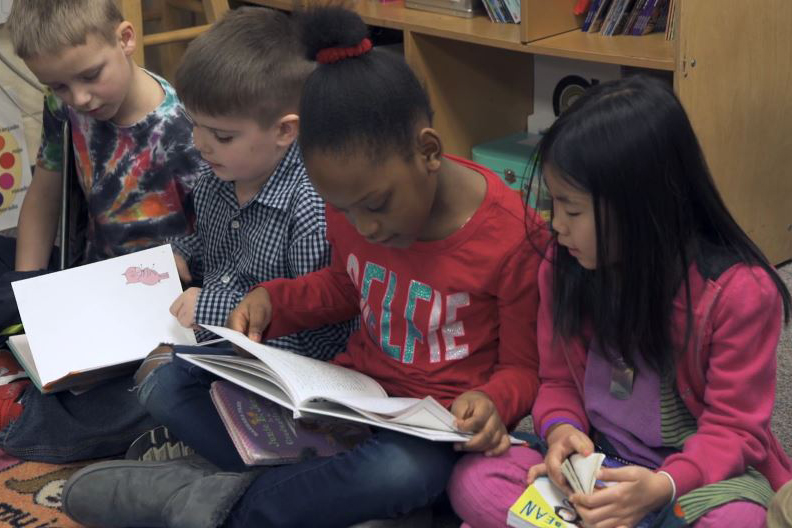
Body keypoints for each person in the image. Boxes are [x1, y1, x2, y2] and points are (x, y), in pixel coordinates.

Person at [59, 6, 547, 528]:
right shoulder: (348, 200)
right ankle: (326, 499)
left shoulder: (514, 237)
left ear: (427, 150)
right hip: (351, 399)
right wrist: (277, 301)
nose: (366, 229)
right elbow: (345, 284)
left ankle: (216, 505)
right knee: (174, 384)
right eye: (346, 211)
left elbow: (525, 368)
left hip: (431, 429)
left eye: (376, 206)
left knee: (408, 475)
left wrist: (492, 401)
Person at [446, 75, 792, 528]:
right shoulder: (564, 263)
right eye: (556, 206)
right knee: (473, 479)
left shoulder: (739, 293)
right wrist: (562, 431)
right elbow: (557, 382)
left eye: (572, 210)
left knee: (741, 521)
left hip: (694, 480)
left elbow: (734, 432)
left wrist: (661, 487)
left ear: (641, 208)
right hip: (602, 462)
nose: (558, 227)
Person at [126, 6, 355, 461]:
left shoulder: (309, 204)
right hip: (224, 347)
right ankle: (217, 452)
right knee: (143, 376)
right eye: (195, 125)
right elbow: (218, 252)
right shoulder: (220, 175)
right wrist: (180, 256)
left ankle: (258, 471)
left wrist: (210, 308)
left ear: (284, 131)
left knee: (161, 388)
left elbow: (316, 336)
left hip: (290, 373)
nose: (200, 143)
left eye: (222, 135)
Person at [0, 0, 202, 463]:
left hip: (158, 309)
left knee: (158, 394)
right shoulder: (63, 106)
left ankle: (24, 414)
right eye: (59, 85)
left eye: (90, 76)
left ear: (126, 39)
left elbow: (212, 251)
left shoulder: (183, 132)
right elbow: (46, 190)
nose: (80, 98)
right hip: (84, 281)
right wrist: (31, 292)